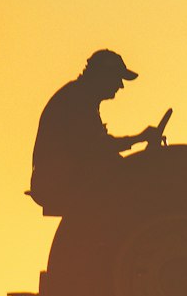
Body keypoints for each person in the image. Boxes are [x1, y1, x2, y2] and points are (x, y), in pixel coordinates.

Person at [29, 49, 158, 213]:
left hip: (64, 176)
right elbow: (94, 147)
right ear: (102, 76)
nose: (121, 85)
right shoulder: (76, 100)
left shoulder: (81, 98)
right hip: (59, 181)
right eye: (117, 78)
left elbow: (95, 149)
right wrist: (138, 139)